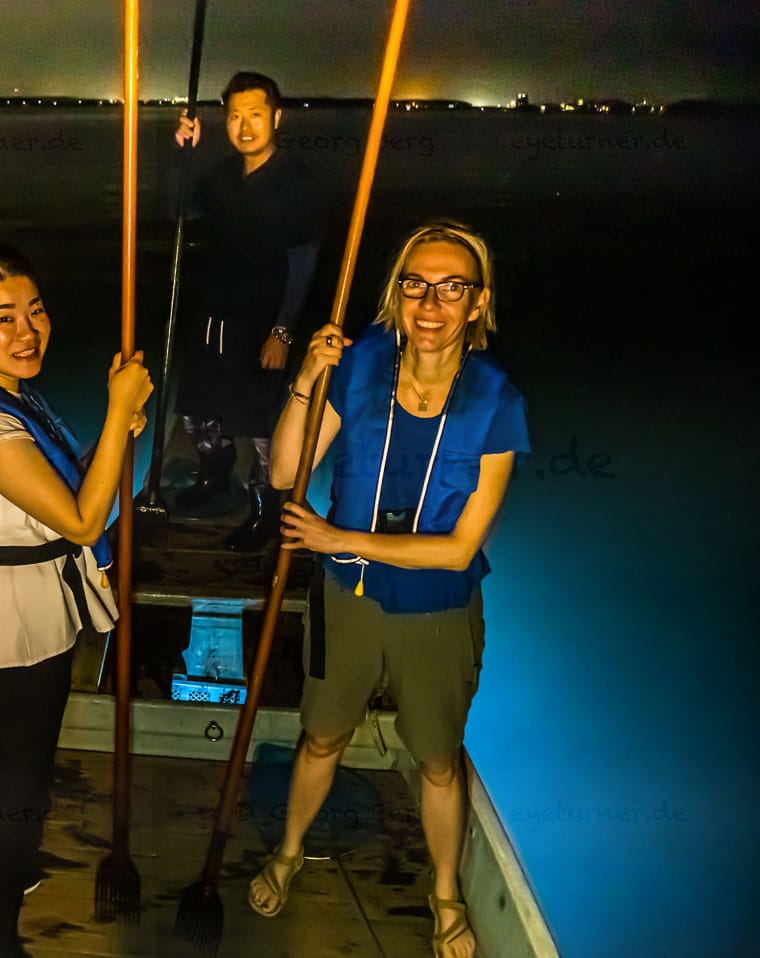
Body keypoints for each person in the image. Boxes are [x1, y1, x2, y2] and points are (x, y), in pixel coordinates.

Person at [249, 221, 529, 958]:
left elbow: (461, 548)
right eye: (416, 284)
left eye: (452, 288)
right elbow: (285, 472)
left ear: (478, 303)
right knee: (322, 735)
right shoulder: (360, 363)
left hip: (437, 611)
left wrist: (337, 539)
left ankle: (446, 891)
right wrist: (308, 377)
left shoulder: (497, 401)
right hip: (347, 600)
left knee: (437, 759)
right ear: (396, 293)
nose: (431, 303)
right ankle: (290, 850)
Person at [0, 239, 152, 958]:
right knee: (13, 782)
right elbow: (81, 520)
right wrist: (117, 409)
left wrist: (115, 434)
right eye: (4, 319)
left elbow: (61, 490)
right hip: (6, 623)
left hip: (17, 608)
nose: (28, 332)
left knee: (0, 756)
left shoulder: (2, 395)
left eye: (36, 311)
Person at [171, 71, 323, 550]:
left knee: (260, 424)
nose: (245, 126)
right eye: (235, 116)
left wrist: (283, 330)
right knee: (198, 410)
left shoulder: (296, 183)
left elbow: (305, 259)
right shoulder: (221, 176)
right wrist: (186, 153)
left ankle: (265, 510)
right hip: (213, 315)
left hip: (263, 323)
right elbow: (183, 211)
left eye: (255, 114)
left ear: (276, 118)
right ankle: (214, 477)